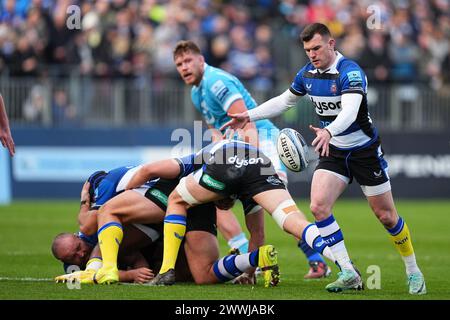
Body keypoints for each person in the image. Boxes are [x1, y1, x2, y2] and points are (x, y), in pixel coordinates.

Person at [222, 23, 426, 295]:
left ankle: (413, 271)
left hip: (364, 151)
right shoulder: (307, 73)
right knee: (318, 206)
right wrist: (249, 115)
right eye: (307, 50)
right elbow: (284, 101)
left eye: (316, 47)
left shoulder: (350, 72)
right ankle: (348, 272)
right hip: (334, 151)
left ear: (331, 44)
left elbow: (351, 111)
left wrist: (329, 130)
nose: (312, 54)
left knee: (386, 216)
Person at [173, 40, 331, 279]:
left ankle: (323, 259)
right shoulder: (197, 92)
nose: (184, 67)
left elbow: (246, 121)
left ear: (201, 60)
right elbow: (217, 131)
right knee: (218, 202)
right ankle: (248, 259)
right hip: (240, 151)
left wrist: (249, 164)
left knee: (279, 211)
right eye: (179, 64)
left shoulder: (217, 82)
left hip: (263, 145)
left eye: (188, 61)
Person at [126, 139, 337, 286]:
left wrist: (127, 193)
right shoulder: (247, 194)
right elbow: (258, 234)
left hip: (227, 158)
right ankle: (340, 261)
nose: (224, 208)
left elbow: (148, 170)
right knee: (289, 218)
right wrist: (249, 273)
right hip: (261, 165)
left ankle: (165, 271)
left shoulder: (196, 158)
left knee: (176, 200)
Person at [54, 168, 280, 287]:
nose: (79, 253)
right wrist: (131, 273)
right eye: (74, 257)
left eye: (77, 247)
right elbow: (135, 259)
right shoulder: (252, 184)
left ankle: (108, 271)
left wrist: (85, 201)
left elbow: (88, 227)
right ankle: (254, 258)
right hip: (175, 212)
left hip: (171, 197)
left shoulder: (105, 190)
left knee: (107, 214)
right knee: (199, 276)